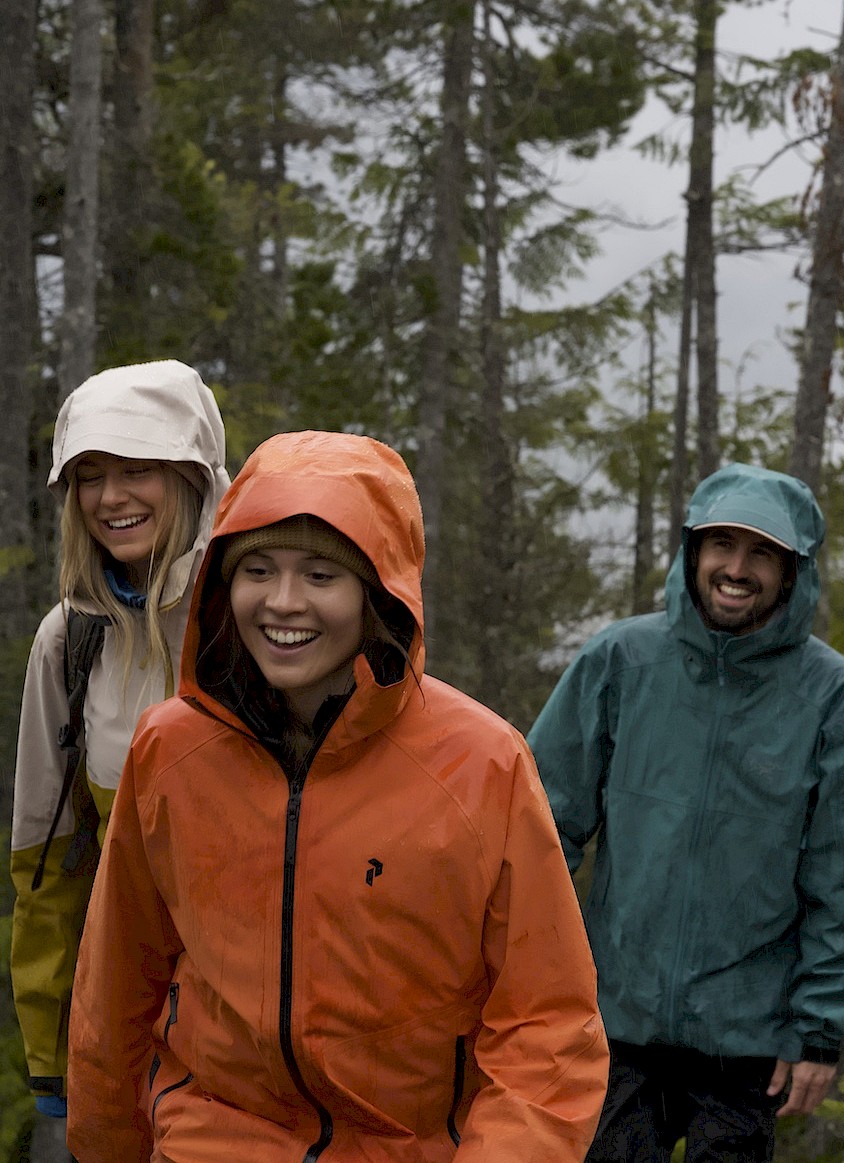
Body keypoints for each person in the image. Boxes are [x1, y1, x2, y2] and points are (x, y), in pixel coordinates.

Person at [66, 431, 608, 1163]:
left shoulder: (481, 764)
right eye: (258, 568)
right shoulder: (170, 751)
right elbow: (118, 986)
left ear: (375, 592)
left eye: (321, 574)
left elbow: (545, 1024)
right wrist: (105, 1147)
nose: (283, 602)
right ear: (225, 584)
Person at [527, 462, 844, 1163]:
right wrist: (522, 983)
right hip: (615, 1025)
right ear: (692, 551)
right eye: (721, 543)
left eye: (762, 552)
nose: (736, 567)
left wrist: (820, 1030)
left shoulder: (833, 697)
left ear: (794, 572)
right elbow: (539, 831)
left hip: (749, 1039)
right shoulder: (620, 661)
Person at [9, 359, 229, 1158]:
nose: (110, 497)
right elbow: (45, 871)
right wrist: (51, 1065)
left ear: (194, 477)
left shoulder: (262, 622)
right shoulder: (69, 641)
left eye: (138, 469)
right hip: (126, 1034)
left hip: (260, 1049)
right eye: (91, 476)